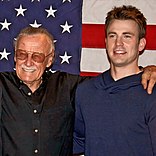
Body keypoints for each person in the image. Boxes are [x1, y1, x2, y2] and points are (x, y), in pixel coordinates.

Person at [0, 26, 155, 156]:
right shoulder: (2, 85)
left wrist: (149, 70)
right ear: (14, 56)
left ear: (49, 60)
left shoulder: (68, 86)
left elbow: (114, 80)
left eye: (37, 56)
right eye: (22, 54)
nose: (28, 62)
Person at [73, 5, 156, 156]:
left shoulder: (151, 90)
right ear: (106, 41)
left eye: (127, 36)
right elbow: (77, 141)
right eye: (113, 35)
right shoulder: (86, 90)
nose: (118, 43)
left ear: (141, 44)